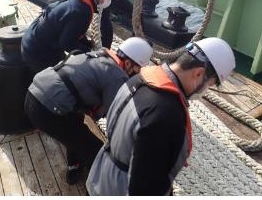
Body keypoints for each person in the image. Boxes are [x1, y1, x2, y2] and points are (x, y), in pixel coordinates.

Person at [86, 37, 236, 195]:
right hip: (118, 189)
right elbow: (145, 188)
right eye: (210, 84)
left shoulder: (139, 80)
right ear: (198, 73)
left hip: (101, 175)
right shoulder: (167, 114)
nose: (206, 90)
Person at [24, 37, 154, 185]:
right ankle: (97, 188)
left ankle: (75, 165)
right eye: (137, 70)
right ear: (129, 63)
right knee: (97, 153)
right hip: (47, 110)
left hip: (35, 95)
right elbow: (117, 119)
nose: (136, 75)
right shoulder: (117, 75)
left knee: (77, 132)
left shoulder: (99, 55)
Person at [21, 0, 120, 75]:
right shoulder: (82, 12)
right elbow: (67, 44)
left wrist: (88, 45)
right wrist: (92, 52)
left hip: (33, 39)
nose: (108, 0)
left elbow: (73, 33)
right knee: (64, 80)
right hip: (37, 52)